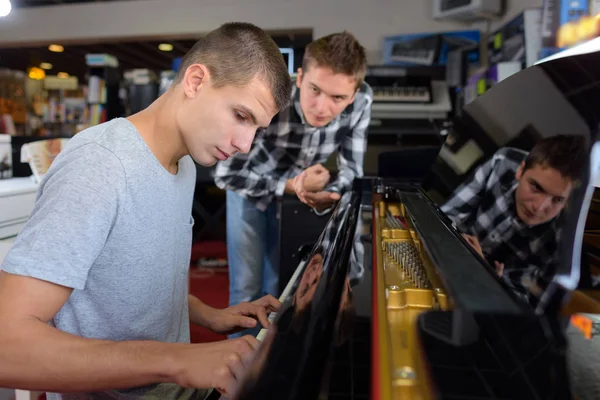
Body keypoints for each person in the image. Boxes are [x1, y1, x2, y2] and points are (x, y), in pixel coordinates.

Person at [0, 22, 293, 400]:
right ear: (195, 81)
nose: (245, 144)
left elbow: (124, 285)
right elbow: (7, 343)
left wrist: (207, 314)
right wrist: (177, 361)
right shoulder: (100, 165)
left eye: (257, 128)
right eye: (241, 115)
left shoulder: (183, 163)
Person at [213, 31, 373, 323]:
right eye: (314, 90)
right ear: (299, 78)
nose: (322, 108)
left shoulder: (363, 101)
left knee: (281, 287)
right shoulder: (271, 93)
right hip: (251, 187)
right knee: (247, 288)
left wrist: (331, 192)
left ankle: (269, 363)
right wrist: (288, 185)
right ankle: (240, 364)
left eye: (338, 98)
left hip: (302, 196)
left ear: (354, 94)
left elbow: (352, 170)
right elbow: (227, 174)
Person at [440, 134, 586, 300]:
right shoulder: (503, 162)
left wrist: (490, 278)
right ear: (520, 171)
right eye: (536, 187)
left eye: (557, 199)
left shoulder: (566, 240)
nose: (539, 207)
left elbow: (530, 310)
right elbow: (443, 218)